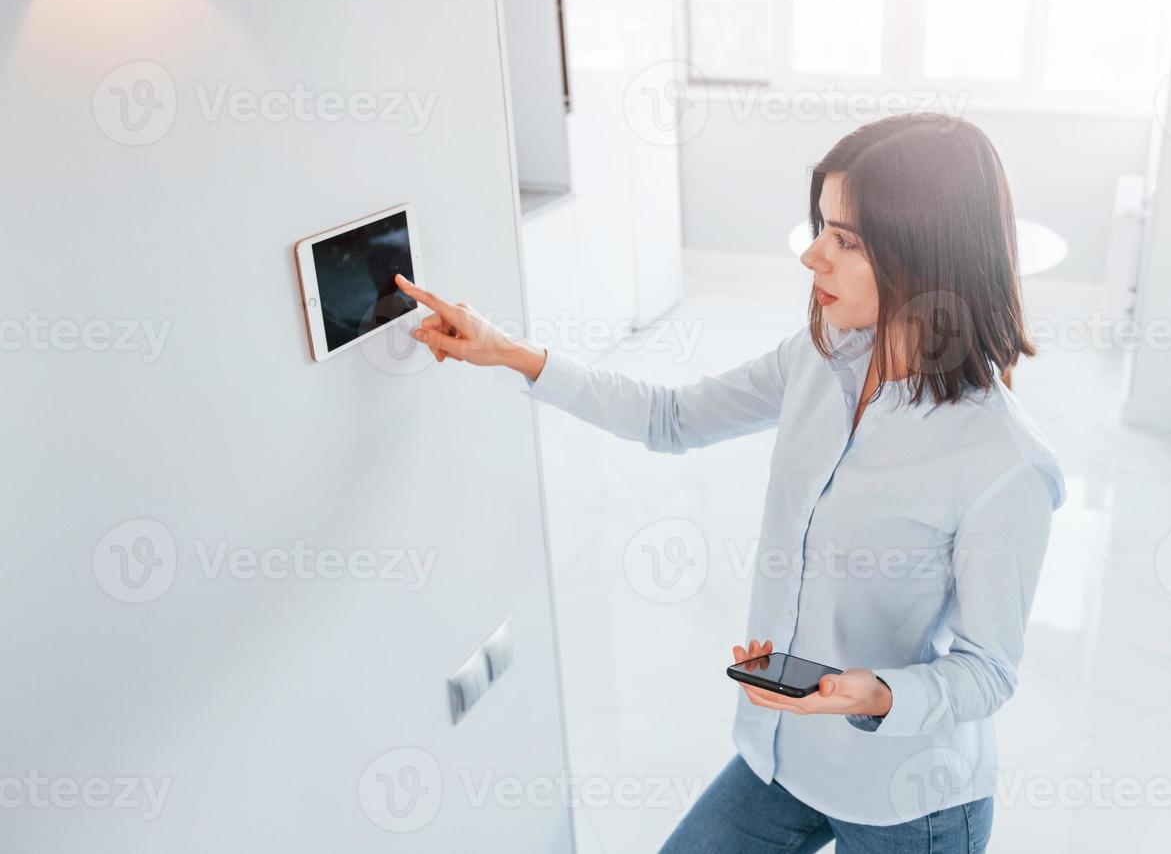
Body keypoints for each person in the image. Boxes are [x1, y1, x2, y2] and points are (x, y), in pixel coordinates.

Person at [395, 113, 1064, 853]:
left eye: (845, 240)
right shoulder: (821, 357)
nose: (812, 255)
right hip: (784, 752)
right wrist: (510, 352)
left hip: (910, 798)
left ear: (926, 256)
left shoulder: (1004, 462)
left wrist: (876, 694)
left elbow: (987, 672)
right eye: (820, 226)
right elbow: (671, 417)